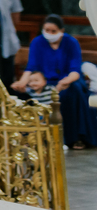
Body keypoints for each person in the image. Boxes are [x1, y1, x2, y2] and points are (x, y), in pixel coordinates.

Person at [13, 15, 97, 149]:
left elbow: (75, 70)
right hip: (44, 81)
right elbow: (31, 67)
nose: (50, 34)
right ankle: (26, 136)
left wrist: (64, 82)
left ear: (61, 30)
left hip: (68, 80)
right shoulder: (37, 42)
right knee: (19, 94)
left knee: (72, 92)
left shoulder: (71, 43)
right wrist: (22, 82)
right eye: (47, 30)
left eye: (53, 31)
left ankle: (74, 138)